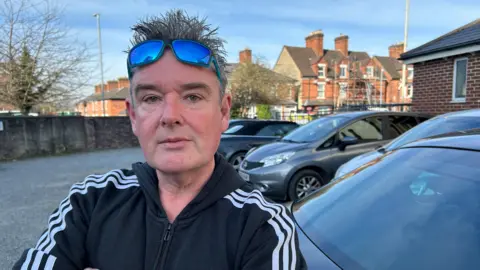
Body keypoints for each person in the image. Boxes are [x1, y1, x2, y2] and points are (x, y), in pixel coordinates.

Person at [13, 9, 306, 270]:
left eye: (193, 96)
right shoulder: (88, 202)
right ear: (133, 116)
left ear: (224, 111)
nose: (170, 116)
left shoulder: (264, 226)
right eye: (151, 98)